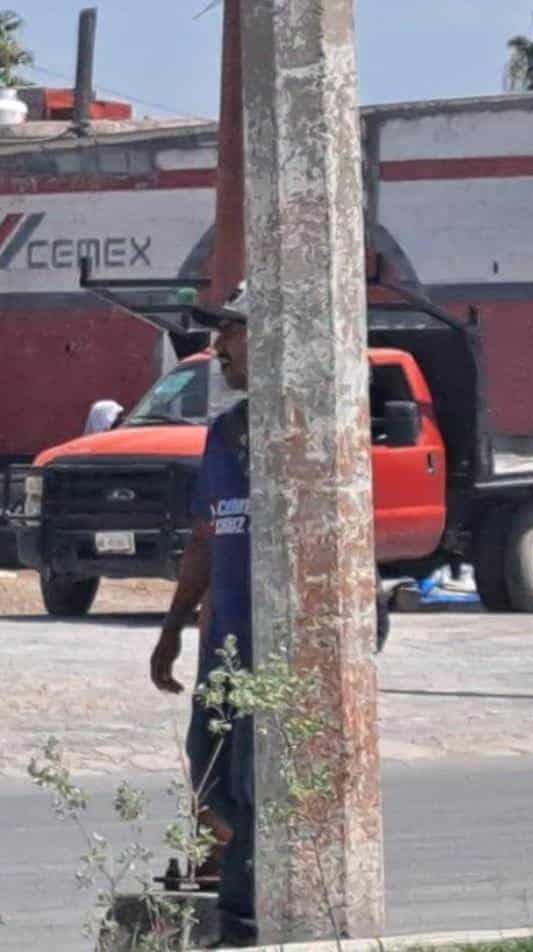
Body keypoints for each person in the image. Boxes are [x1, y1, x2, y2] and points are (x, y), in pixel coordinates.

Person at [149, 284, 256, 946]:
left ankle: (246, 914)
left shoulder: (310, 430)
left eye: (233, 332)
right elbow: (206, 535)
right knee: (210, 773)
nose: (217, 346)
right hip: (223, 647)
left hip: (279, 655)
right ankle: (236, 878)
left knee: (255, 788)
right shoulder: (224, 435)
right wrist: (170, 631)